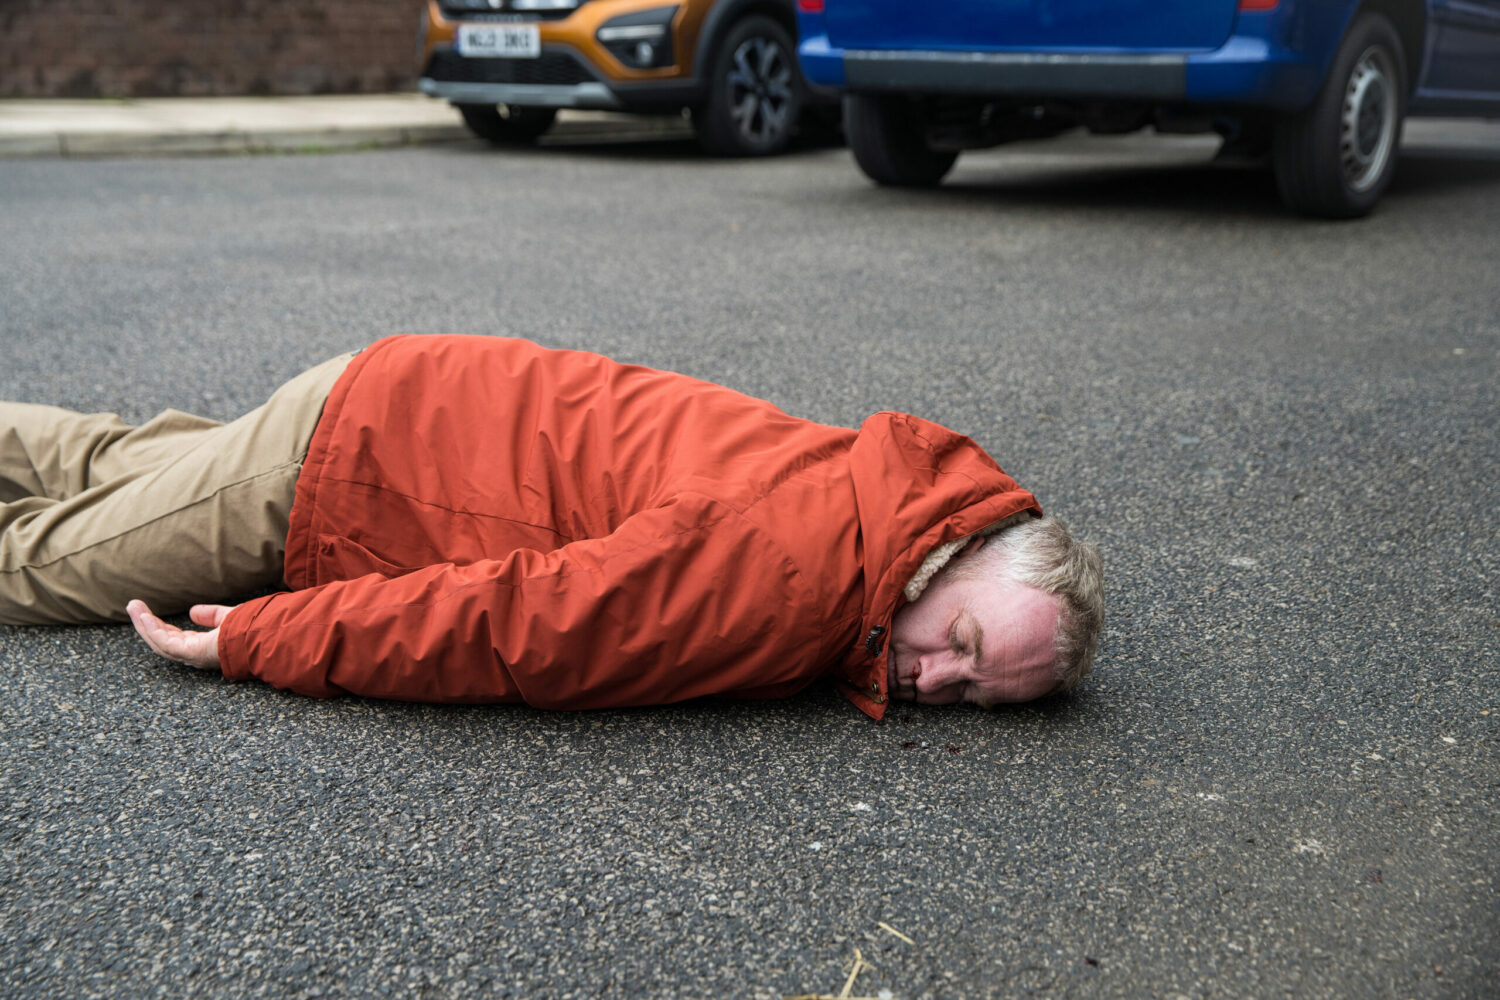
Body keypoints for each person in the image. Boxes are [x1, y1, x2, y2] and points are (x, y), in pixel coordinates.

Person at [0, 334, 1102, 718]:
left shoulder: (881, 488)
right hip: (348, 468)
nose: (933, 685)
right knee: (44, 569)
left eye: (972, 700)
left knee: (107, 463)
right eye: (958, 648)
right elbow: (522, 625)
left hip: (405, 401)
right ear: (949, 556)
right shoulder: (792, 577)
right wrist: (258, 638)